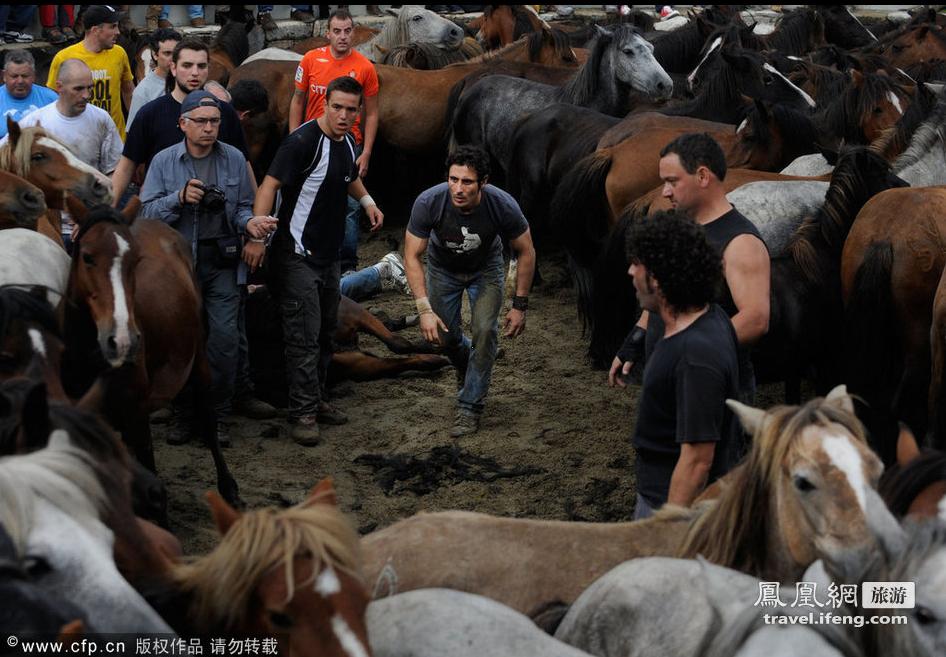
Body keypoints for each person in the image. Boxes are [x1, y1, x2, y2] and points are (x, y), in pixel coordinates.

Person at [254, 76, 383, 446]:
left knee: (327, 331)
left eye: (351, 110)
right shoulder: (301, 142)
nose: (343, 115)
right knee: (304, 336)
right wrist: (257, 234)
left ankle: (318, 398)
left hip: (329, 257)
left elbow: (347, 177)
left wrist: (368, 201)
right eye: (337, 108)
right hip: (295, 254)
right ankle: (303, 412)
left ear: (359, 112)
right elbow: (269, 186)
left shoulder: (347, 142)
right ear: (324, 104)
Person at [139, 90, 273, 445]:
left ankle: (218, 415)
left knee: (225, 341)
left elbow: (244, 206)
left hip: (222, 262)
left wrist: (251, 226)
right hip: (175, 268)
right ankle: (184, 415)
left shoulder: (233, 159)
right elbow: (144, 215)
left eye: (215, 121)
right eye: (201, 122)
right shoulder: (164, 162)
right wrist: (178, 198)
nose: (209, 128)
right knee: (179, 341)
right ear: (182, 124)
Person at [609, 132, 770, 404]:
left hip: (712, 388)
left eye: (672, 181)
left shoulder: (740, 242)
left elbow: (755, 319)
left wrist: (689, 352)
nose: (665, 192)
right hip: (672, 378)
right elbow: (664, 295)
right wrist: (638, 336)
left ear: (703, 176)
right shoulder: (679, 227)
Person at [404, 145, 536, 437]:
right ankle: (470, 359)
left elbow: (526, 251)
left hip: (485, 269)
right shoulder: (430, 202)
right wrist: (424, 310)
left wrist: (520, 305)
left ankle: (470, 405)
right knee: (445, 337)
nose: (458, 188)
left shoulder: (502, 205)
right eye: (453, 179)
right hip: (442, 269)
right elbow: (412, 255)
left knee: (485, 331)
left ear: (483, 182)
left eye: (467, 182)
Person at [622, 211, 741, 519]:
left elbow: (697, 459)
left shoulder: (695, 356)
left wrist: (668, 531)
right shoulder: (707, 316)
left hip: (667, 505)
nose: (630, 272)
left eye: (638, 264)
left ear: (657, 278)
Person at [290, 8, 379, 273]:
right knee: (310, 197)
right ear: (327, 33)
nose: (342, 36)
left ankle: (348, 263)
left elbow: (372, 113)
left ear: (354, 33)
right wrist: (294, 137)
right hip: (311, 142)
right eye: (337, 31)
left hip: (349, 143)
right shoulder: (309, 60)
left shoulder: (365, 67)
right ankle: (305, 253)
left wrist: (367, 152)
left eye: (347, 31)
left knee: (350, 205)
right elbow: (297, 99)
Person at [111, 38, 251, 205]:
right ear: (173, 68)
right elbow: (126, 166)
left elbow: (244, 164)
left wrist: (256, 216)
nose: (195, 73)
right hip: (163, 217)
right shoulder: (150, 114)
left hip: (215, 216)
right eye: (187, 65)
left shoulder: (225, 112)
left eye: (201, 66)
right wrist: (107, 210)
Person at [47, 5, 134, 140]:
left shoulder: (119, 53)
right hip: (78, 140)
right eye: (112, 26)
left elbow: (128, 91)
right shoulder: (64, 57)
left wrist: (135, 127)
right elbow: (52, 99)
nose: (118, 32)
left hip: (115, 140)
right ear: (95, 30)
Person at [127, 27, 181, 130]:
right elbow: (134, 133)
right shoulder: (143, 92)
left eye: (176, 53)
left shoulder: (190, 81)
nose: (173, 58)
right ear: (155, 55)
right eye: (167, 53)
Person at [0, 50, 58, 139]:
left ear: (34, 76)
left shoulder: (51, 99)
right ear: (4, 76)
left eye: (25, 76)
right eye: (14, 76)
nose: (20, 81)